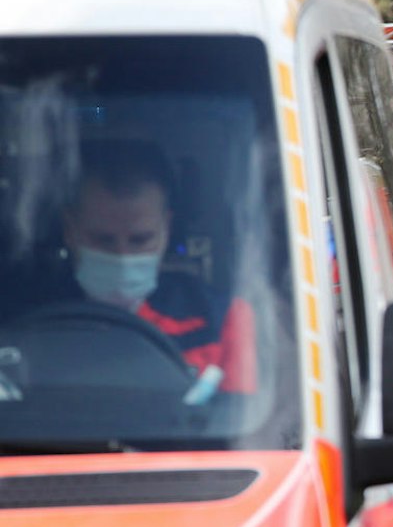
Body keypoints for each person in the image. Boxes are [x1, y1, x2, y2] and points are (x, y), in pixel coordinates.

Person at [61, 140, 256, 392]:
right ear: (70, 230)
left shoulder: (221, 320)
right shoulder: (22, 319)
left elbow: (243, 421)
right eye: (103, 240)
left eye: (140, 240)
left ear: (166, 228)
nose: (122, 256)